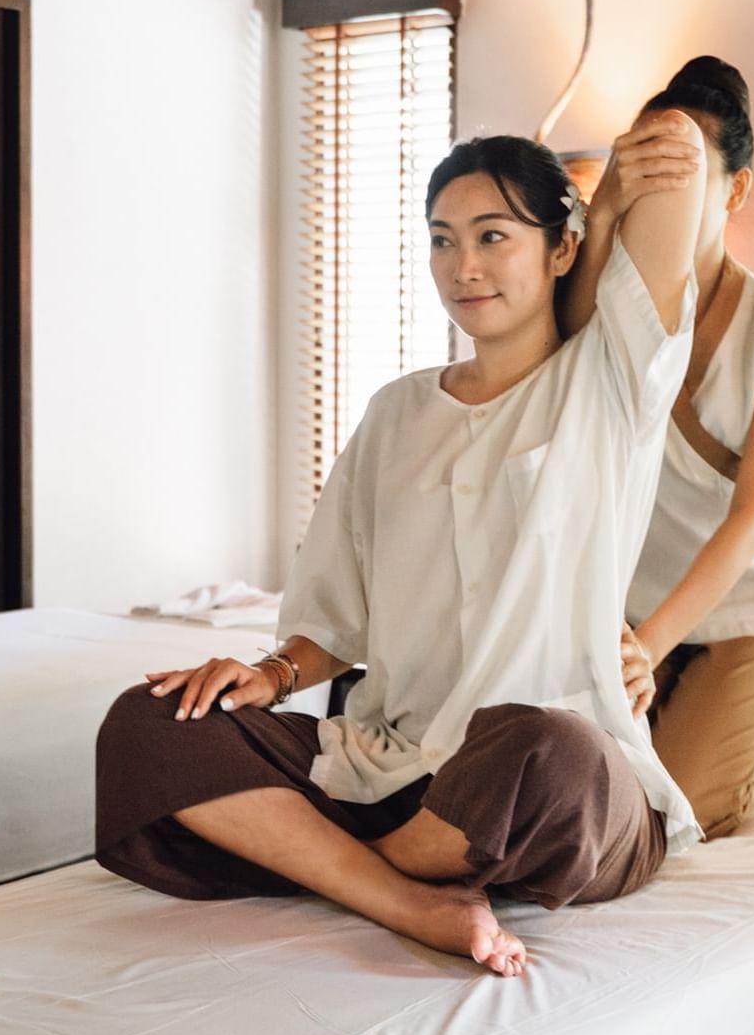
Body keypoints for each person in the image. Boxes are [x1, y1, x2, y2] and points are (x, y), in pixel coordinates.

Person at [95, 122, 707, 978]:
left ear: (562, 247)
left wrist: (603, 199)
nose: (464, 267)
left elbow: (677, 148)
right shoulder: (395, 412)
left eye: (494, 235)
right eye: (442, 241)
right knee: (150, 722)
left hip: (538, 780)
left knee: (551, 753)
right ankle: (405, 895)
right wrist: (266, 675)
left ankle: (333, 858)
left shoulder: (607, 386)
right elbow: (339, 614)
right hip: (393, 771)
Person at [565, 56, 754, 842]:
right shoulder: (599, 293)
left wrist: (647, 651)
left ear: (735, 190)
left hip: (751, 601)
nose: (659, 194)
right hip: (636, 607)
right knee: (574, 780)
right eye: (643, 170)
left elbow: (752, 515)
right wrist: (604, 202)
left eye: (679, 173)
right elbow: (560, 355)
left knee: (666, 812)